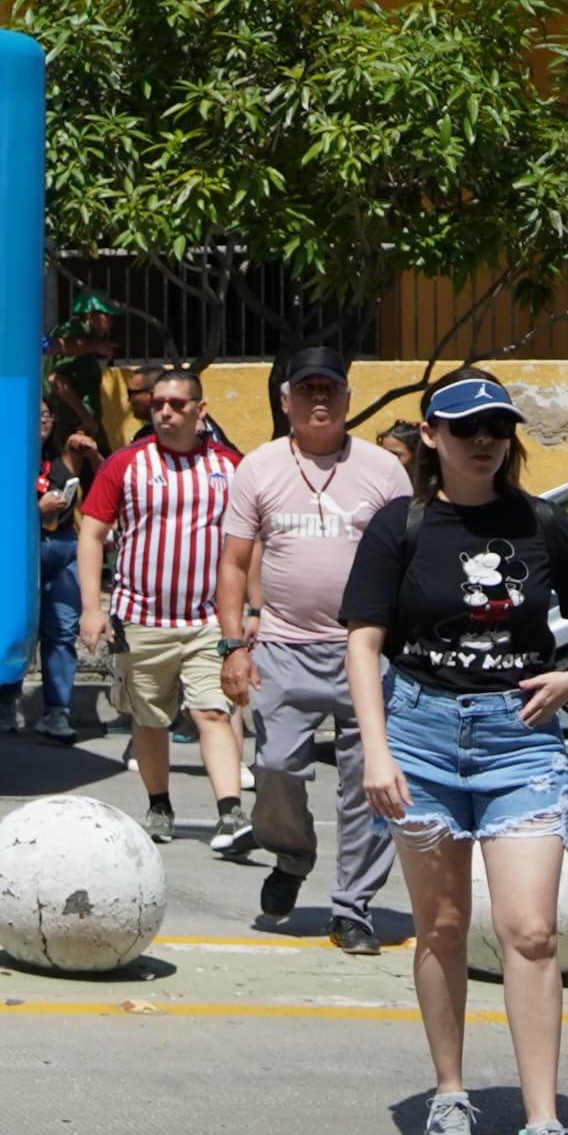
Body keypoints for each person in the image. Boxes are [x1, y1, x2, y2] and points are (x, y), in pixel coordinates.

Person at [343, 370, 568, 1135]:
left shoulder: (543, 523)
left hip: (521, 740)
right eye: (465, 428)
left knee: (532, 931)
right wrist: (376, 751)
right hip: (421, 738)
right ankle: (451, 1093)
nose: (484, 440)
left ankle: (543, 1126)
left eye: (496, 426)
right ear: (431, 436)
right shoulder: (403, 524)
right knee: (443, 925)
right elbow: (364, 643)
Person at [218, 345, 414, 947]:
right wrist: (232, 644)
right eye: (306, 390)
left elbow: (411, 559)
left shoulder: (384, 471)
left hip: (367, 649)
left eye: (330, 388)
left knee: (369, 784)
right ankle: (291, 853)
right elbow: (233, 563)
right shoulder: (259, 467)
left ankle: (352, 906)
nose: (319, 399)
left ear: (349, 398)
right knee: (276, 767)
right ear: (286, 400)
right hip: (282, 645)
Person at [77, 366, 248, 842]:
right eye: (158, 405)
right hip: (141, 618)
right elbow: (91, 534)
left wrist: (253, 609)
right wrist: (93, 607)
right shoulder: (126, 464)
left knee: (213, 711)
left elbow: (251, 542)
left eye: (177, 404)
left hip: (208, 618)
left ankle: (231, 813)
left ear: (201, 410)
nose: (166, 412)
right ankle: (159, 806)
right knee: (149, 718)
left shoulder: (230, 466)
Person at [30, 379, 103, 741]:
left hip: (63, 552)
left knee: (60, 632)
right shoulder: (6, 458)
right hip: (23, 554)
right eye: (35, 414)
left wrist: (87, 453)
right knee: (20, 630)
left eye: (46, 415)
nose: (42, 421)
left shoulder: (63, 459)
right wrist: (36, 510)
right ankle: (5, 702)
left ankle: (57, 713)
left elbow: (107, 482)